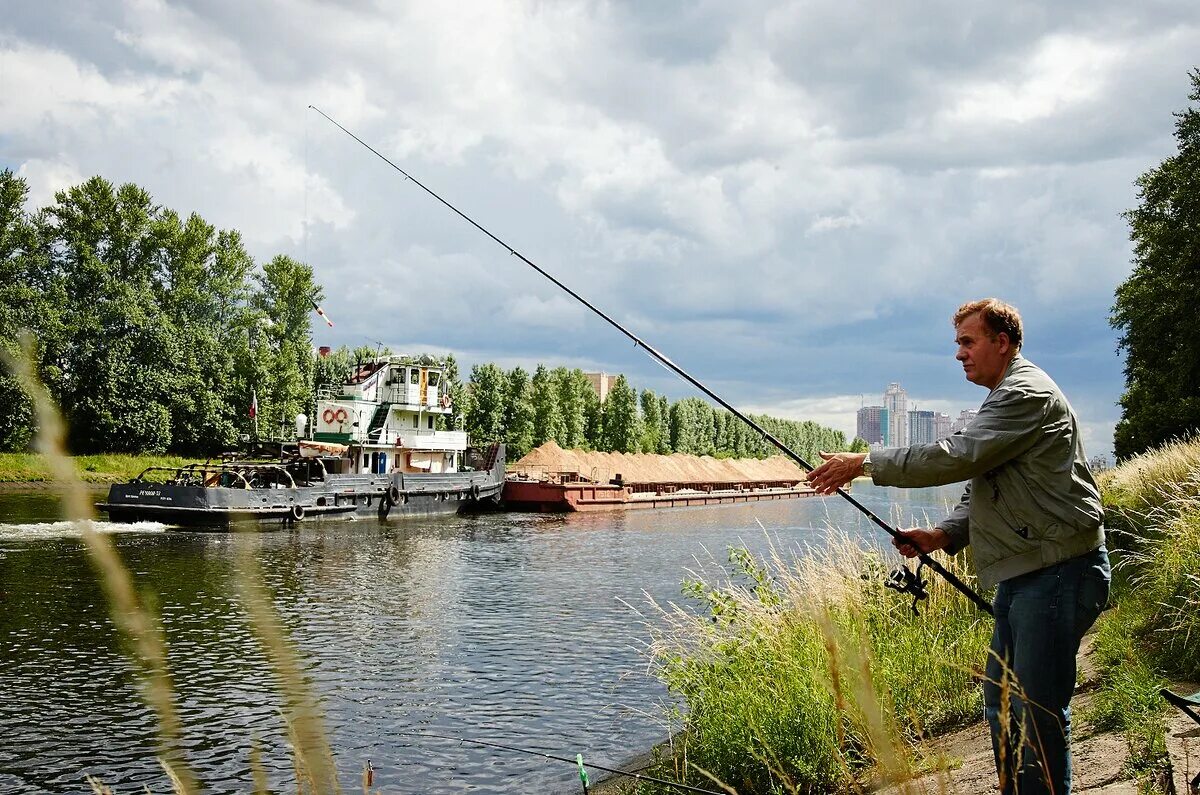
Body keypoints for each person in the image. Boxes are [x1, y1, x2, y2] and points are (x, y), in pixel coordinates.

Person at [806, 298, 1110, 795]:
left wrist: (865, 463)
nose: (959, 354)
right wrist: (945, 534)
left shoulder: (1025, 393)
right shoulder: (1004, 397)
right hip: (1028, 574)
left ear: (1002, 342)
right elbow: (988, 477)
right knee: (1002, 702)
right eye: (958, 344)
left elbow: (958, 456)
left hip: (1057, 572)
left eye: (968, 342)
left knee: (1034, 713)